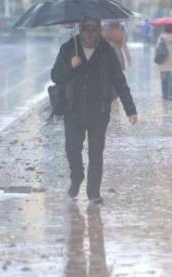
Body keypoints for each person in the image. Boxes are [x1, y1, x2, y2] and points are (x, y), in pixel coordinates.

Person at [51, 19, 138, 204]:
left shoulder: (106, 51)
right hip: (73, 110)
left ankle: (94, 192)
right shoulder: (69, 48)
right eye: (87, 29)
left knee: (96, 153)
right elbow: (55, 75)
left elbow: (119, 81)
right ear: (81, 29)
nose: (90, 33)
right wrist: (70, 65)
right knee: (72, 149)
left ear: (99, 30)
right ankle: (77, 178)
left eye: (94, 29)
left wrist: (130, 109)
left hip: (99, 111)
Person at [157, 24, 172, 100]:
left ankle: (165, 95)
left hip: (163, 62)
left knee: (164, 81)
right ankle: (171, 95)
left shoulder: (161, 37)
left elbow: (158, 48)